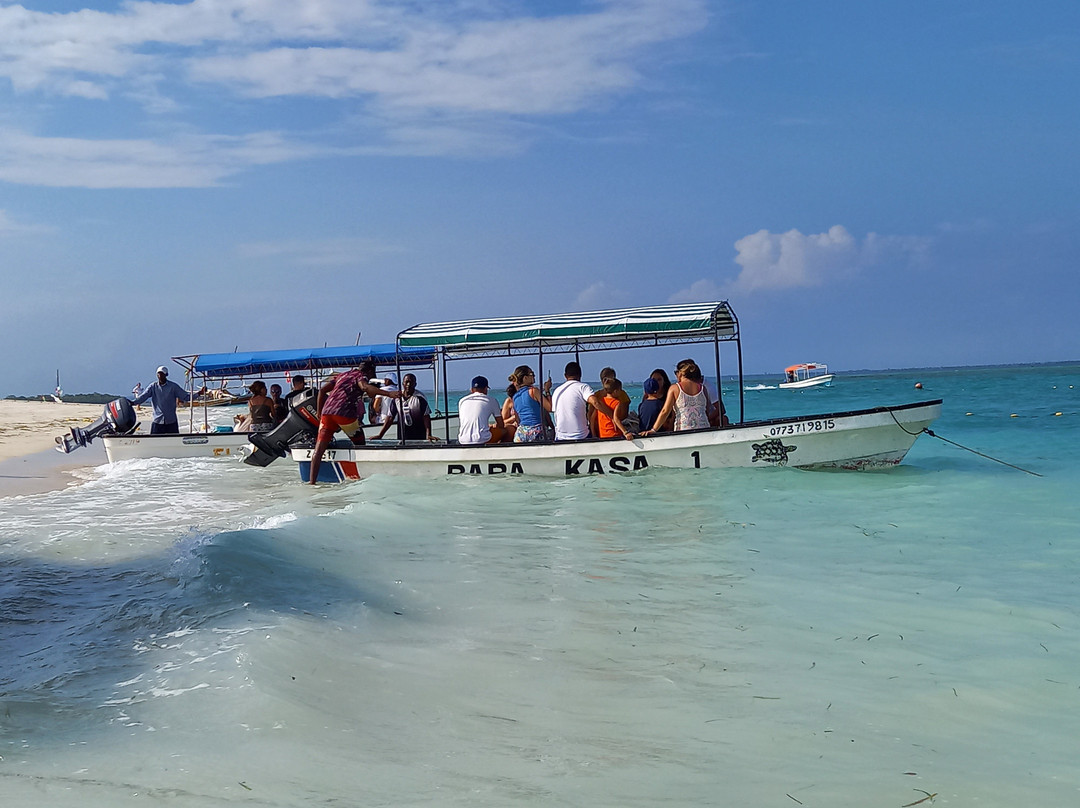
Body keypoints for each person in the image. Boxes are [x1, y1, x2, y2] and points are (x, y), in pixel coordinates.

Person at [308, 362, 400, 485]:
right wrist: (389, 394)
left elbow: (322, 390)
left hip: (327, 413)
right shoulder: (361, 376)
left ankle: (312, 482)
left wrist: (319, 412)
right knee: (360, 442)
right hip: (344, 413)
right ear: (368, 371)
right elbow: (364, 387)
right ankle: (362, 477)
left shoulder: (342, 375)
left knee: (318, 450)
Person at [550, 361, 619, 441]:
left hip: (560, 437)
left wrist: (547, 391)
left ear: (565, 376)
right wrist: (612, 416)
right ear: (580, 375)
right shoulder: (582, 387)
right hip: (581, 436)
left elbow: (552, 409)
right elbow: (595, 402)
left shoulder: (557, 391)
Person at [641, 359, 713, 435]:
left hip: (683, 429)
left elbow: (665, 411)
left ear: (680, 373)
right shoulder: (703, 388)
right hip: (704, 428)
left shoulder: (675, 388)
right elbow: (706, 410)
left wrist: (654, 429)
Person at [131, 366, 207, 434]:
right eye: (158, 374)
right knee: (155, 442)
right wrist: (133, 402)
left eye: (162, 374)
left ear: (166, 375)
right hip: (157, 421)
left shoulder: (173, 387)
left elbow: (186, 397)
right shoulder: (153, 387)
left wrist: (199, 393)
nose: (160, 376)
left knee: (174, 442)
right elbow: (143, 396)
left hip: (171, 421)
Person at [374, 373, 435, 442]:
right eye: (406, 382)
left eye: (411, 382)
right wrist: (380, 435)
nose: (408, 385)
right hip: (403, 436)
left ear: (415, 384)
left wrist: (428, 435)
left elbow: (426, 417)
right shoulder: (397, 398)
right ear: (403, 384)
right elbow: (390, 417)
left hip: (419, 435)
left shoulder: (420, 398)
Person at [457, 376, 509, 445]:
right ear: (485, 389)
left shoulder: (462, 401)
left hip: (463, 439)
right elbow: (501, 424)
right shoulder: (491, 400)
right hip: (481, 439)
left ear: (471, 390)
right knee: (505, 431)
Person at [508, 365, 551, 443]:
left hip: (521, 433)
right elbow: (550, 408)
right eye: (532, 374)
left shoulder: (515, 397)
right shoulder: (533, 391)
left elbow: (518, 419)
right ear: (525, 378)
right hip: (536, 431)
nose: (534, 376)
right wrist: (547, 391)